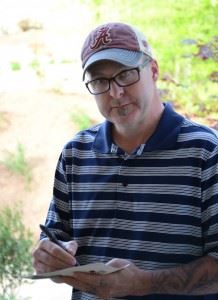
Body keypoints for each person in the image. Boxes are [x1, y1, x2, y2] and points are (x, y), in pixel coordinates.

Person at [32, 22, 218, 300]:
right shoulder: (76, 154)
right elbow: (54, 235)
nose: (115, 93)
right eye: (100, 81)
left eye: (126, 75)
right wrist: (48, 253)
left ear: (153, 70)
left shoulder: (207, 152)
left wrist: (144, 283)